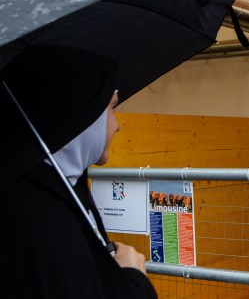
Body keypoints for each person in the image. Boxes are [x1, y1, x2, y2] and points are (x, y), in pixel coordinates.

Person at [0, 45, 157, 298]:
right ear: (80, 112)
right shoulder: (41, 223)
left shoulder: (59, 187)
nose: (116, 126)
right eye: (111, 108)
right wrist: (134, 279)